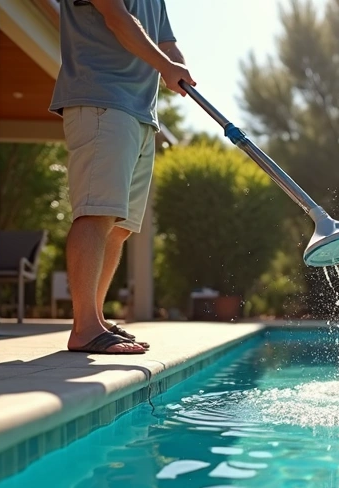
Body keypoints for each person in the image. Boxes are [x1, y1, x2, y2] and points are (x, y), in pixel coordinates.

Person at [49, 0, 194, 354]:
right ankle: (85, 328)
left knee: (120, 225)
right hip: (101, 100)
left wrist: (180, 70)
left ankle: (93, 319)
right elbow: (115, 16)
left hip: (141, 113)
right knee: (96, 212)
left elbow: (165, 41)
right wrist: (165, 65)